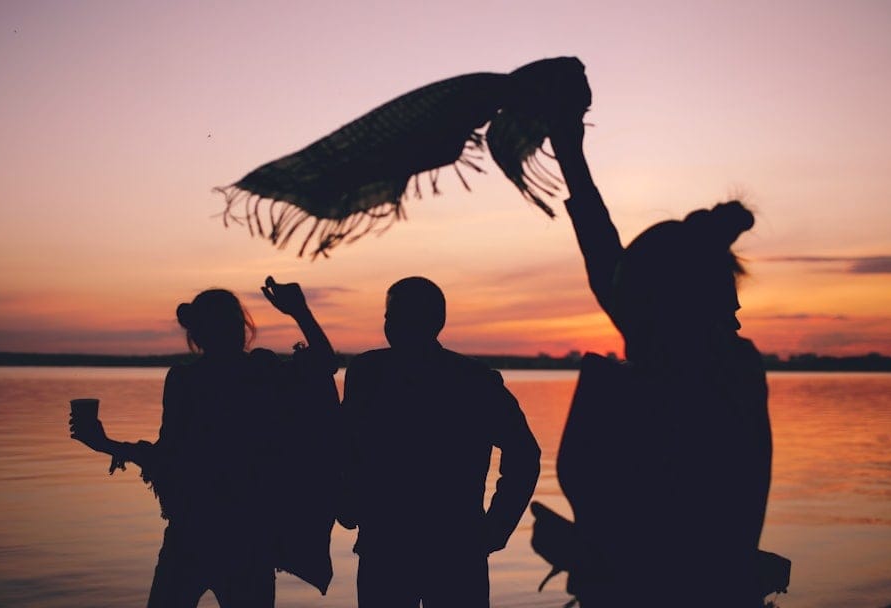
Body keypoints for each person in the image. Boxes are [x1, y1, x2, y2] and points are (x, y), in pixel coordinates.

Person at [548, 105, 773, 607]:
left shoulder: (718, 375)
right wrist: (569, 154)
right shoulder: (699, 358)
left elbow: (670, 530)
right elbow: (604, 254)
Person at [69, 277, 339, 608]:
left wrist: (107, 444)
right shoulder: (259, 372)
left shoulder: (201, 378)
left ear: (196, 335)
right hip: (237, 535)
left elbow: (167, 459)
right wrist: (298, 311)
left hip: (203, 533)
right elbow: (324, 366)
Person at [338, 276, 541, 608]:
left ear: (433, 322)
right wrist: (345, 501)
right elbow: (344, 444)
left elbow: (524, 455)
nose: (389, 324)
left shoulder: (474, 381)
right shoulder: (367, 374)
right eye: (389, 316)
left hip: (448, 548)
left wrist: (496, 528)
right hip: (396, 544)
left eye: (395, 315)